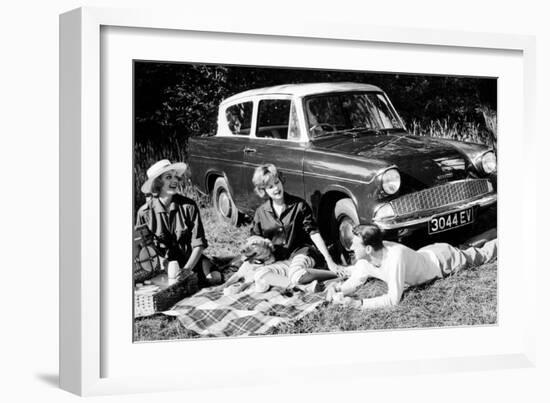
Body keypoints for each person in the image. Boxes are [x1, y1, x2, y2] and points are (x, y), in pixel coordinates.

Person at [327, 224, 497, 309]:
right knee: (468, 248)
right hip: (429, 253)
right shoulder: (366, 260)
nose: (350, 248)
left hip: (444, 260)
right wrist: (339, 290)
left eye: (355, 245)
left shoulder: (395, 257)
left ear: (369, 249)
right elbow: (356, 279)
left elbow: (393, 299)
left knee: (483, 255)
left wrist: (358, 304)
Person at [247, 164, 341, 292]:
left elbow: (314, 233)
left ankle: (337, 273)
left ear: (281, 180)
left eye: (277, 182)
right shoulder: (260, 212)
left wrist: (329, 261)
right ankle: (303, 287)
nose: (276, 188)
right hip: (281, 260)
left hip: (302, 253)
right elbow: (254, 239)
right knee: (259, 274)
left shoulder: (299, 205)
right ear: (263, 190)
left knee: (296, 274)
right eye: (270, 186)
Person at [135, 159, 222, 287]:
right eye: (169, 177)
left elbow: (199, 243)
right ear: (157, 182)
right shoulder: (144, 213)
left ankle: (210, 265)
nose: (175, 180)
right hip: (164, 267)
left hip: (191, 262)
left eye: (175, 176)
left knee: (215, 278)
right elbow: (144, 248)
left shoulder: (189, 206)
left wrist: (187, 270)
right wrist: (163, 264)